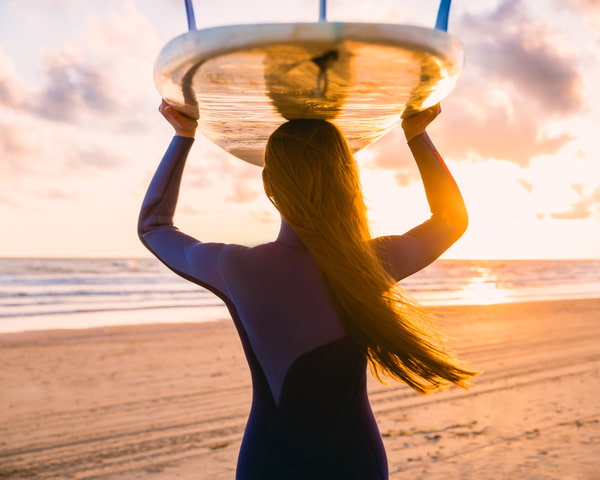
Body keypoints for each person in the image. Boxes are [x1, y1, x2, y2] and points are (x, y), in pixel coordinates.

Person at [138, 99, 477, 479]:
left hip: (270, 460)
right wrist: (417, 135)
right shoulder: (370, 263)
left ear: (268, 184)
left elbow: (154, 227)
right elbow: (451, 219)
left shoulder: (234, 267)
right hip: (356, 460)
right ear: (348, 178)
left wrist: (183, 136)